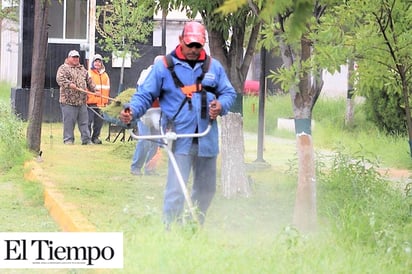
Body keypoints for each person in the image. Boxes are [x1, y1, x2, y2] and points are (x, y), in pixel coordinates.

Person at [120, 21, 237, 225]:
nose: (193, 50)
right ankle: (170, 230)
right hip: (179, 138)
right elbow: (145, 95)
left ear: (204, 44)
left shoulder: (213, 67)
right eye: (189, 44)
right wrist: (132, 111)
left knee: (207, 189)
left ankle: (193, 225)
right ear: (181, 40)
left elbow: (228, 93)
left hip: (206, 138)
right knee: (176, 189)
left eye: (197, 46)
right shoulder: (163, 67)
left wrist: (221, 105)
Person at [56, 50, 98, 145]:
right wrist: (69, 84)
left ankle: (86, 140)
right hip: (68, 101)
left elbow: (89, 81)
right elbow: (60, 79)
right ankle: (68, 140)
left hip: (82, 101)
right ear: (68, 58)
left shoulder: (83, 70)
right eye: (74, 57)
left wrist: (95, 90)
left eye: (77, 57)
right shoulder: (63, 68)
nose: (76, 59)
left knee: (84, 123)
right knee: (69, 123)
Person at [130, 56, 163, 176]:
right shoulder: (146, 76)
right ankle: (136, 167)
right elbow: (142, 95)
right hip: (145, 111)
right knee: (144, 140)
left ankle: (150, 169)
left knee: (155, 141)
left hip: (158, 111)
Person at [87, 53, 111, 144]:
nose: (97, 63)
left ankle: (95, 138)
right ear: (93, 63)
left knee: (98, 123)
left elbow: (107, 89)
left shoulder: (105, 76)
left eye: (99, 62)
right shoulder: (89, 73)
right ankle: (87, 138)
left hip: (102, 103)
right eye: (95, 61)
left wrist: (106, 102)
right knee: (88, 122)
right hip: (90, 102)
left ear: (101, 63)